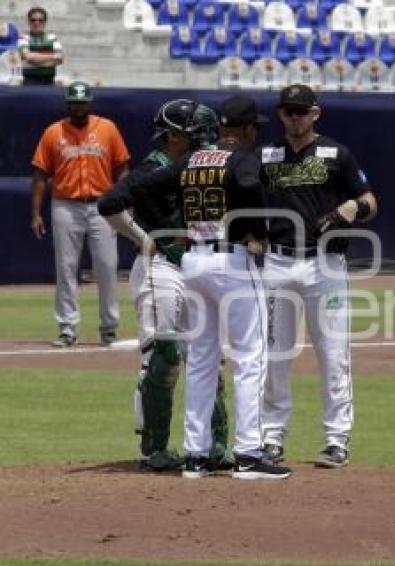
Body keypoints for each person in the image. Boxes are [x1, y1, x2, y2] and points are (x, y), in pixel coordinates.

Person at [106, 95, 291, 480]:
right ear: (245, 130)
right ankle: (249, 453)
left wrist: (160, 230)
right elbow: (247, 184)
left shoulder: (190, 161)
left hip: (192, 262)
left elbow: (130, 192)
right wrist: (259, 231)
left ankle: (194, 454)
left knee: (203, 360)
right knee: (249, 357)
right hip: (232, 260)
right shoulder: (241, 160)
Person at [97, 99, 230, 471]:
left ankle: (216, 445)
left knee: (207, 356)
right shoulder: (153, 167)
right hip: (160, 267)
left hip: (197, 264)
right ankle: (153, 448)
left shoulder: (204, 165)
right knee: (163, 355)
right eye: (196, 134)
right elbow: (109, 204)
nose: (204, 140)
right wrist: (142, 238)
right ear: (174, 136)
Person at [260, 84, 378, 469]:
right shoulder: (267, 155)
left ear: (316, 113)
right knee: (276, 353)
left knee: (332, 352)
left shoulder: (335, 154)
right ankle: (271, 437)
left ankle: (336, 439)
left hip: (325, 263)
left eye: (300, 111)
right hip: (277, 261)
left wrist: (352, 208)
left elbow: (371, 201)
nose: (293, 118)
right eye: (287, 111)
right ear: (279, 114)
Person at [30, 81, 129, 347]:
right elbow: (40, 175)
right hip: (65, 205)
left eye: (82, 102)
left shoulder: (107, 128)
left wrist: (123, 199)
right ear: (67, 104)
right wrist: (36, 213)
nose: (78, 107)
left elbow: (122, 167)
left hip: (102, 205)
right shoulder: (53, 132)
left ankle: (109, 328)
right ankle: (67, 328)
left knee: (107, 266)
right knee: (66, 268)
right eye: (74, 102)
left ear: (90, 103)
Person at [17, 6, 63, 85]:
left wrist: (35, 59)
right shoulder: (23, 37)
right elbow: (27, 56)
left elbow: (60, 58)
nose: (36, 23)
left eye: (40, 20)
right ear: (29, 22)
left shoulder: (53, 38)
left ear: (45, 22)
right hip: (29, 81)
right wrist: (52, 57)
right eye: (33, 20)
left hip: (49, 81)